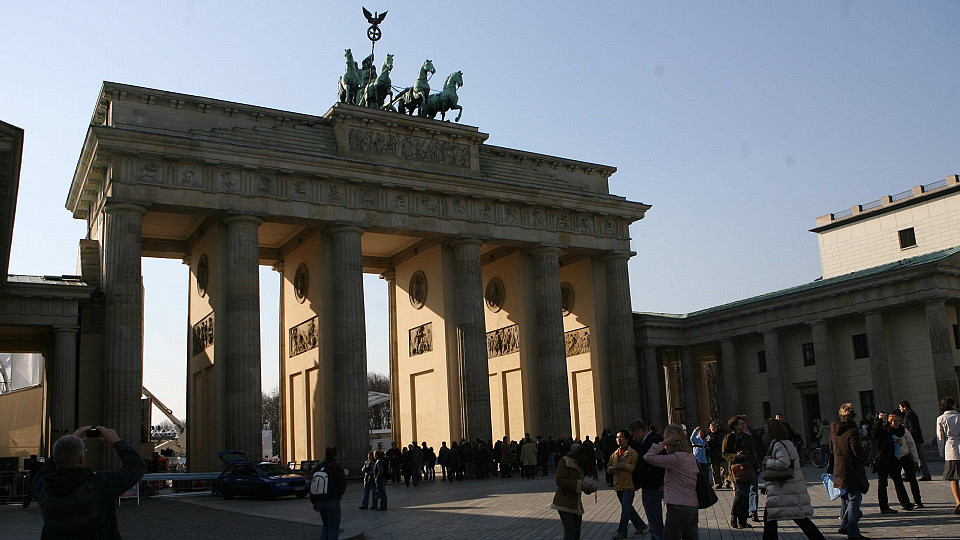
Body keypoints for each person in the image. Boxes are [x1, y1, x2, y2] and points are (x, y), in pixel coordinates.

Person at [31, 425, 145, 540]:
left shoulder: (43, 487)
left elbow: (44, 471)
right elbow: (136, 468)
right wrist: (116, 441)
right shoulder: (99, 484)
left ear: (56, 459)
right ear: (82, 459)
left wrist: (66, 445)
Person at [761, 418, 825, 540]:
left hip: (785, 488)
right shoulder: (787, 442)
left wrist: (768, 461)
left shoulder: (778, 444)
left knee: (778, 518)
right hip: (789, 487)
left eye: (766, 428)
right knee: (795, 518)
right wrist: (767, 485)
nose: (765, 431)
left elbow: (783, 463)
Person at [643, 424, 699, 540]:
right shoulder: (690, 457)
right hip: (692, 506)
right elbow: (686, 479)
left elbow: (648, 457)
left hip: (677, 507)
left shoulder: (675, 458)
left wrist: (663, 443)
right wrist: (669, 486)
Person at [830, 403, 870, 540]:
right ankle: (852, 531)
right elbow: (856, 452)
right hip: (851, 470)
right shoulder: (852, 431)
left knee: (847, 498)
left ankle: (845, 524)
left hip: (839, 468)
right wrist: (864, 457)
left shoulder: (834, 430)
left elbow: (831, 449)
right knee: (854, 499)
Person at [552, 440, 599, 540]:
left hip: (575, 503)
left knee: (576, 533)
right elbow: (559, 481)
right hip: (564, 503)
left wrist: (587, 488)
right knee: (570, 534)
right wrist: (580, 484)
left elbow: (579, 484)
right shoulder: (566, 462)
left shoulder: (580, 464)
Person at [629, 419, 665, 540]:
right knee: (654, 520)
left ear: (639, 431)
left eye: (634, 435)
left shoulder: (651, 441)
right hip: (653, 485)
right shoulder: (653, 440)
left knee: (654, 520)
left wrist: (643, 480)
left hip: (652, 486)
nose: (634, 439)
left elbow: (652, 465)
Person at [871, 411, 914, 512]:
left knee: (898, 480)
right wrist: (878, 422)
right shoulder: (877, 428)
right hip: (882, 459)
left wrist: (895, 424)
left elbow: (900, 432)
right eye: (882, 418)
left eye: (885, 417)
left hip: (892, 458)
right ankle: (884, 506)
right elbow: (875, 435)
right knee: (882, 483)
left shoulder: (889, 428)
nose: (884, 420)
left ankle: (905, 503)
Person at [607, 430, 646, 539]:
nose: (618, 439)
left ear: (627, 439)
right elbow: (608, 467)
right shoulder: (614, 454)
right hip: (618, 485)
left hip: (629, 485)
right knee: (628, 508)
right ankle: (640, 525)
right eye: (617, 437)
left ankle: (622, 531)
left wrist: (624, 466)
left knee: (625, 509)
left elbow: (637, 468)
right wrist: (611, 469)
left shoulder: (633, 454)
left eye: (621, 437)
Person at [722, 415, 758, 529]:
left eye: (744, 423)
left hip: (747, 468)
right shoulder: (729, 438)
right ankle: (734, 516)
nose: (743, 425)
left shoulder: (747, 437)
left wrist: (755, 465)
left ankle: (743, 520)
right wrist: (735, 456)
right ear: (735, 426)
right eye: (741, 424)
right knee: (740, 493)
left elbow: (752, 452)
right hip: (735, 470)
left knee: (746, 494)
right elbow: (724, 454)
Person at [887, 413, 923, 509]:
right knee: (898, 481)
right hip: (894, 458)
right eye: (894, 421)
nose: (897, 423)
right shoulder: (888, 431)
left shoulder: (904, 431)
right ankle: (905, 502)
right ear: (890, 422)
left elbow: (911, 444)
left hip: (906, 456)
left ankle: (918, 500)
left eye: (898, 421)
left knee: (912, 479)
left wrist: (915, 459)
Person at [311, 446, 347, 540]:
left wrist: (314, 501)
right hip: (332, 500)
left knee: (325, 525)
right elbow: (342, 484)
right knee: (333, 527)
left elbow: (313, 483)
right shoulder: (337, 467)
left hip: (320, 500)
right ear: (335, 454)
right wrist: (339, 495)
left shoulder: (319, 467)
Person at [936, 396, 960, 514]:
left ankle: (958, 501)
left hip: (950, 448)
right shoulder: (959, 417)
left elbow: (940, 438)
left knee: (954, 478)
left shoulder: (941, 419)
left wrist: (941, 452)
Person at [899, 400, 932, 481]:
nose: (900, 409)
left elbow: (912, 427)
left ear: (904, 407)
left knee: (913, 456)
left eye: (900, 407)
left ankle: (906, 474)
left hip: (914, 439)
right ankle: (923, 474)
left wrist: (909, 438)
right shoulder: (910, 414)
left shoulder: (909, 414)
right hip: (915, 439)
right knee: (917, 457)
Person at [705, 422, 729, 489]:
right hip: (713, 455)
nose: (713, 428)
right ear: (710, 428)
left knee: (724, 469)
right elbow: (706, 447)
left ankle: (726, 481)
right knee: (715, 471)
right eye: (711, 427)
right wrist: (708, 443)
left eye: (714, 427)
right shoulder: (708, 437)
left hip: (721, 455)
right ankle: (717, 483)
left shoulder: (721, 436)